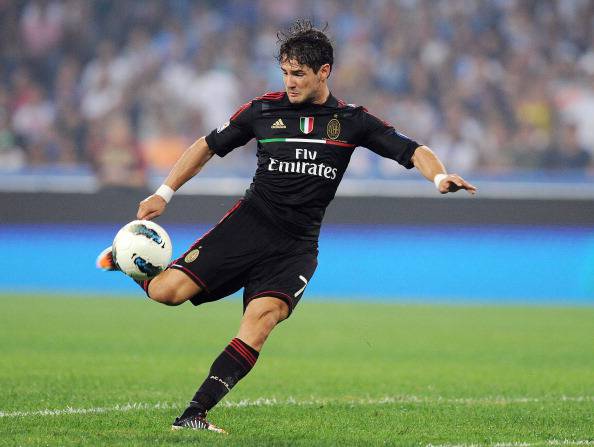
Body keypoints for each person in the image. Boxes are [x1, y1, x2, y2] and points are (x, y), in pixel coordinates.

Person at [96, 20, 476, 433]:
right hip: (248, 226)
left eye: (298, 73)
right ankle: (129, 259)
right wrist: (164, 193)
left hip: (296, 247)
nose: (290, 82)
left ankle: (193, 415)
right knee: (166, 294)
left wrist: (440, 177)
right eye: (285, 72)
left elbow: (414, 150)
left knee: (262, 320)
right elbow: (206, 147)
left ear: (324, 72)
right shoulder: (263, 110)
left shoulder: (352, 121)